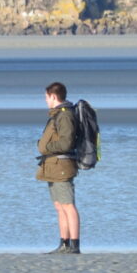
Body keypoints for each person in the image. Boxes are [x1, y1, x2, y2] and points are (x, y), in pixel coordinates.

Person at [37, 81, 81, 254]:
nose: (45, 100)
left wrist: (46, 147)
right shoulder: (57, 114)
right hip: (52, 165)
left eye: (46, 97)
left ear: (53, 96)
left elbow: (66, 142)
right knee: (59, 206)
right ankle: (64, 244)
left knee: (68, 205)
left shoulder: (64, 115)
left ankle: (75, 245)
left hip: (62, 165)